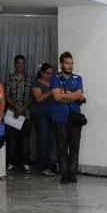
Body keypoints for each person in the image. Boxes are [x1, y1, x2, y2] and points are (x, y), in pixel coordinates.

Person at [50, 51, 86, 184]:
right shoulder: (55, 78)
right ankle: (64, 174)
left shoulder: (78, 78)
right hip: (60, 118)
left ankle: (72, 174)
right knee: (62, 147)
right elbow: (57, 97)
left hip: (75, 117)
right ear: (61, 64)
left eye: (71, 63)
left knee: (75, 147)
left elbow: (80, 95)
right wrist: (73, 96)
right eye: (67, 63)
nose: (70, 66)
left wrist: (66, 95)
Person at [5, 55, 31, 171]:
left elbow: (32, 97)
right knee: (12, 139)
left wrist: (23, 108)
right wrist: (16, 107)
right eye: (18, 63)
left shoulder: (30, 78)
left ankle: (25, 163)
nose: (20, 65)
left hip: (26, 113)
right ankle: (11, 162)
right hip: (12, 113)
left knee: (25, 139)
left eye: (22, 63)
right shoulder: (9, 78)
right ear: (15, 64)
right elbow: (6, 95)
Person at [31, 63, 57, 176]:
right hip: (40, 115)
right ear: (42, 73)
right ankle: (43, 166)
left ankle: (51, 165)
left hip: (53, 114)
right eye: (48, 73)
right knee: (43, 140)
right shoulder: (36, 83)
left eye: (52, 73)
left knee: (52, 140)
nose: (50, 75)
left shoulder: (54, 82)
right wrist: (51, 92)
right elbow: (39, 99)